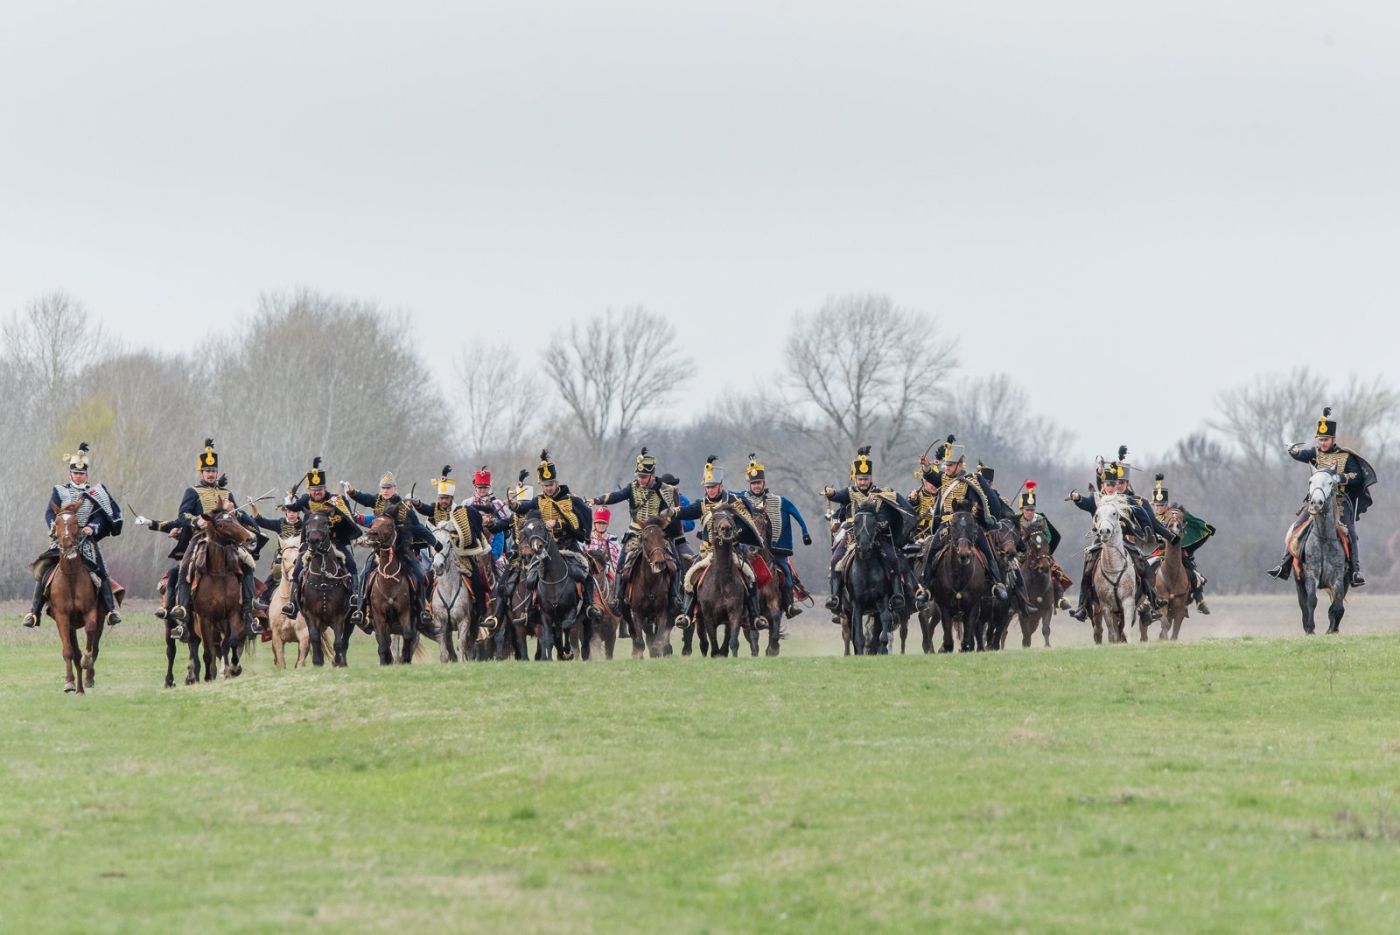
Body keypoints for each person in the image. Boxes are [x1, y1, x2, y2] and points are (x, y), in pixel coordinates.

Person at [140, 439, 258, 637]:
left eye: (214, 471)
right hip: (201, 538)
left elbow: (235, 517)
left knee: (248, 564)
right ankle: (183, 612)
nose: (211, 474)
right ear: (201, 472)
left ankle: (249, 612)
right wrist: (197, 521)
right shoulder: (192, 492)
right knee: (184, 567)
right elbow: (183, 515)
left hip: (226, 539)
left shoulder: (226, 493)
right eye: (207, 471)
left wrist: (234, 512)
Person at [1267, 408, 1377, 587]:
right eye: (1320, 440)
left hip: (1339, 502)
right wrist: (1293, 451)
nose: (1322, 443)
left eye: (1325, 440)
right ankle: (1284, 565)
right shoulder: (1315, 453)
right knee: (1296, 527)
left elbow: (1357, 476)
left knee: (1350, 532)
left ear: (1333, 439)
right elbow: (1301, 455)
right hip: (1316, 501)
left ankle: (1355, 571)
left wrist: (1340, 477)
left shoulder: (1345, 456)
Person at [1065, 448, 1175, 622]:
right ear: (1103, 485)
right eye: (1107, 485)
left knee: (1143, 565)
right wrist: (1077, 497)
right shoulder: (1097, 499)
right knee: (1087, 570)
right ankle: (1083, 607)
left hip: (1124, 542)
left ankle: (1153, 599)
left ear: (1118, 485)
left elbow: (1144, 517)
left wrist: (1148, 531)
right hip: (1101, 542)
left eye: (1113, 484)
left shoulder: (1127, 500)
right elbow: (1085, 503)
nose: (1110, 488)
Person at [25, 443, 125, 628]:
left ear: (86, 475)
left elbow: (101, 517)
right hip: (62, 539)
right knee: (44, 570)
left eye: (82, 473)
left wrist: (92, 527)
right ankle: (34, 612)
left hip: (84, 541)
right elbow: (50, 512)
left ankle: (111, 611)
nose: (78, 476)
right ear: (70, 474)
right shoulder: (59, 491)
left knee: (100, 570)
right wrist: (54, 527)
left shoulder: (96, 493)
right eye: (75, 473)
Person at [822, 446, 921, 612]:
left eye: (866, 479)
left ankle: (898, 594)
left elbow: (889, 514)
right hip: (852, 536)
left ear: (871, 479)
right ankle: (835, 597)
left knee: (893, 559)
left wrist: (881, 525)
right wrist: (830, 493)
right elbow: (837, 495)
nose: (863, 482)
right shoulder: (849, 493)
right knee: (835, 561)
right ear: (855, 479)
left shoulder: (881, 494)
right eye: (860, 479)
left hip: (877, 537)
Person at [674, 457, 766, 628]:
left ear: (720, 486)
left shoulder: (734, 501)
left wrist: (735, 535)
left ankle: (755, 616)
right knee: (689, 577)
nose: (710, 490)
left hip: (732, 551)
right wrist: (671, 512)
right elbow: (685, 512)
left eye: (713, 487)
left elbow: (746, 524)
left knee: (751, 576)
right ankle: (686, 614)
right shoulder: (701, 505)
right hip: (708, 552)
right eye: (708, 487)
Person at [589, 447, 683, 615]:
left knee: (676, 564)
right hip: (635, 534)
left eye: (643, 477)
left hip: (656, 534)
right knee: (621, 566)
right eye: (639, 476)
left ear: (652, 476)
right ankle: (618, 599)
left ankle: (675, 598)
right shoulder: (632, 488)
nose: (640, 479)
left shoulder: (665, 490)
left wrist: (661, 524)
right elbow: (617, 495)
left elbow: (670, 514)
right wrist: (597, 500)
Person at [508, 450, 600, 619]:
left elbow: (577, 523)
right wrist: (514, 506)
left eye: (550, 484)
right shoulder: (539, 500)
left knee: (585, 571)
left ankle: (589, 606)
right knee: (530, 575)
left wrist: (558, 523)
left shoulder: (570, 500)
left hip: (568, 545)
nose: (548, 488)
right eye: (545, 485)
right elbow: (524, 507)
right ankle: (531, 610)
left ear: (557, 483)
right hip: (548, 547)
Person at [923, 437, 1010, 602]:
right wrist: (927, 467)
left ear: (960, 465)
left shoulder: (971, 482)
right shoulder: (944, 479)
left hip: (968, 527)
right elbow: (932, 477)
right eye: (946, 465)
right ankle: (925, 587)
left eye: (950, 465)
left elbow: (988, 503)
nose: (947, 468)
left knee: (987, 551)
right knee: (931, 550)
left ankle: (996, 583)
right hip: (947, 526)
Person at [345, 471, 436, 627]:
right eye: (383, 488)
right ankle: (361, 609)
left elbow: (417, 526)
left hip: (402, 550)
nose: (385, 491)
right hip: (380, 552)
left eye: (388, 488)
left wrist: (433, 541)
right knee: (364, 574)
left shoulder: (404, 506)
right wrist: (352, 493)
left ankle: (423, 609)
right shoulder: (377, 500)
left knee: (420, 574)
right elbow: (365, 499)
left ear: (395, 489)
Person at [280, 457, 364, 620]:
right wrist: (289, 498)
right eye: (313, 489)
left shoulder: (335, 500)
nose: (316, 492)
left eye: (319, 489)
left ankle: (355, 596)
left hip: (334, 542)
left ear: (325, 488)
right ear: (309, 490)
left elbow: (346, 516)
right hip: (311, 544)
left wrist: (336, 519)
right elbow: (292, 506)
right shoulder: (305, 499)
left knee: (351, 564)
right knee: (297, 569)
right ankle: (292, 603)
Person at [738, 453, 812, 618]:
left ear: (764, 483)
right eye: (753, 483)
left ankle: (789, 605)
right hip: (748, 550)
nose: (756, 486)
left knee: (786, 572)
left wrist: (805, 532)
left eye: (758, 483)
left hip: (773, 549)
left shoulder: (779, 501)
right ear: (750, 484)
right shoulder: (740, 499)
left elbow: (796, 513)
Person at [1150, 473, 1214, 614]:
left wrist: (1205, 527)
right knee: (1143, 571)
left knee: (1192, 571)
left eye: (1162, 505)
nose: (1159, 507)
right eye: (1157, 505)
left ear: (1166, 505)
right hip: (1158, 551)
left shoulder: (1174, 516)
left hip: (1176, 551)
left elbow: (1189, 522)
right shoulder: (1151, 517)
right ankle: (1146, 603)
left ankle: (1199, 600)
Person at [1013, 481, 1072, 611]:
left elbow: (1049, 536)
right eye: (1027, 510)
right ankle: (1010, 601)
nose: (1030, 512)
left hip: (1040, 552)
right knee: (1010, 571)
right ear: (1022, 509)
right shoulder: (1016, 520)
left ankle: (1060, 598)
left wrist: (1044, 549)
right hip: (1021, 552)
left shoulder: (1040, 519)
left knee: (1055, 571)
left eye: (1032, 510)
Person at [465, 466, 513, 569]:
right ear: (475, 487)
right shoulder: (467, 503)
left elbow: (509, 522)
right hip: (473, 541)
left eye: (485, 487)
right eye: (480, 487)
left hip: (495, 540)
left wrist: (494, 523)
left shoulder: (497, 503)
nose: (482, 490)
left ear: (489, 487)